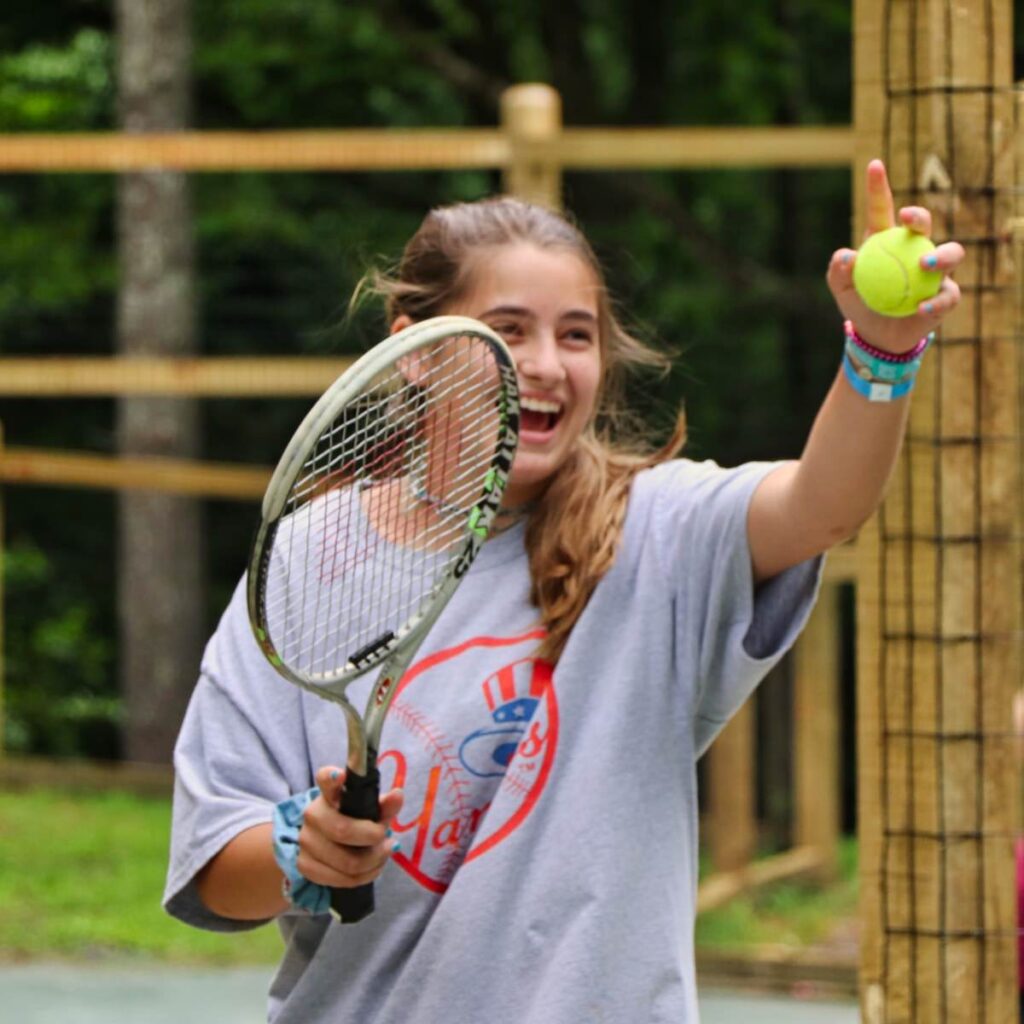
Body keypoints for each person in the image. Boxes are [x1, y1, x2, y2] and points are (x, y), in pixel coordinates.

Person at [164, 159, 964, 1023]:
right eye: (509, 330)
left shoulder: (658, 531)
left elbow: (824, 504)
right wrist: (302, 853)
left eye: (577, 335)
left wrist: (882, 350)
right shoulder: (306, 561)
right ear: (416, 351)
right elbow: (216, 863)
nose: (546, 365)